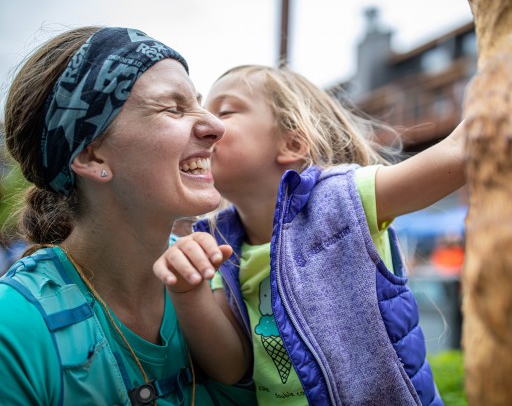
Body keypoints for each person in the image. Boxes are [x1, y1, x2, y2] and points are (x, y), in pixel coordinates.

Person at [154, 65, 466, 406]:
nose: (206, 124)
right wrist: (187, 291)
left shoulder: (345, 198)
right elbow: (231, 367)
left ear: (292, 143)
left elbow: (457, 153)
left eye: (224, 111)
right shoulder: (217, 244)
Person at [0, 27, 256, 405]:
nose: (215, 126)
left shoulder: (223, 275)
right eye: (173, 108)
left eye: (199, 103)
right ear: (92, 157)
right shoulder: (14, 328)